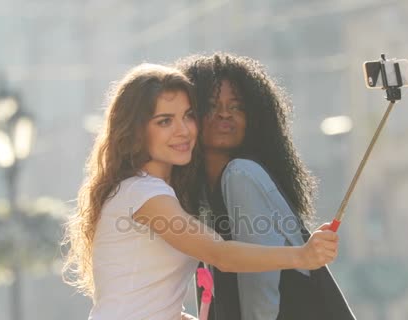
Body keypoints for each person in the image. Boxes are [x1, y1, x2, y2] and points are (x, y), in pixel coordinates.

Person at [61, 63, 340, 320]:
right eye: (164, 121)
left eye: (188, 116)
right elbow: (220, 254)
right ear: (135, 131)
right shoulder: (143, 193)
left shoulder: (154, 192)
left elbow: (157, 306)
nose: (183, 131)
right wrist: (301, 256)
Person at [176, 53, 355, 320]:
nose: (225, 113)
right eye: (212, 105)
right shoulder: (203, 192)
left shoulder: (240, 175)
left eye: (237, 107)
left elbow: (260, 286)